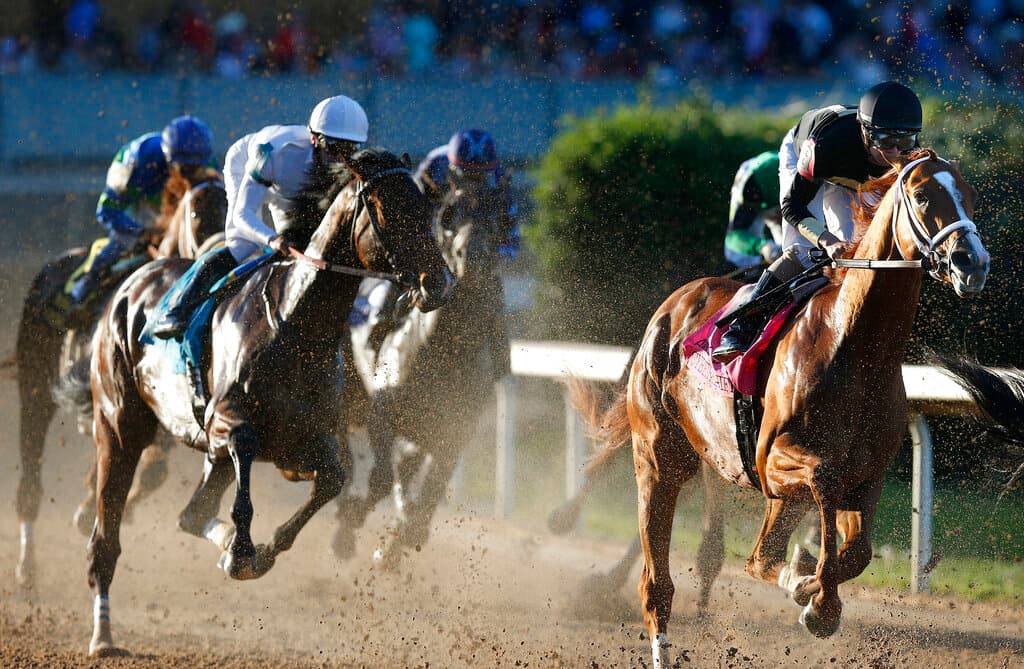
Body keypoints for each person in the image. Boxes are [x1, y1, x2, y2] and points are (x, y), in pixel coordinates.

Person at [712, 81, 923, 363]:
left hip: (849, 175)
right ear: (865, 131)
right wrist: (824, 238)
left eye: (905, 142)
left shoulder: (909, 154)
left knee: (856, 253)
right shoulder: (826, 145)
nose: (895, 153)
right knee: (802, 252)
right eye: (885, 141)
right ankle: (741, 327)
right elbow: (792, 207)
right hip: (811, 159)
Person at [151, 94, 369, 339]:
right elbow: (243, 214)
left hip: (294, 185)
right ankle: (179, 308)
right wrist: (272, 239)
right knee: (243, 245)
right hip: (248, 164)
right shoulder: (275, 152)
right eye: (332, 148)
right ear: (313, 139)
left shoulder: (349, 165)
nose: (340, 159)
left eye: (349, 150)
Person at [69, 115, 216, 305]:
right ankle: (80, 292)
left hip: (170, 207)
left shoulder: (207, 164)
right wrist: (140, 232)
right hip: (137, 202)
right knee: (123, 242)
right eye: (185, 168)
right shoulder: (139, 161)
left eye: (198, 167)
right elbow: (106, 210)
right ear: (169, 158)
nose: (193, 175)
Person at [723, 150, 783, 272]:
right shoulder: (749, 188)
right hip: (756, 178)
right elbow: (733, 237)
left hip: (781, 188)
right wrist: (762, 246)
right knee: (740, 256)